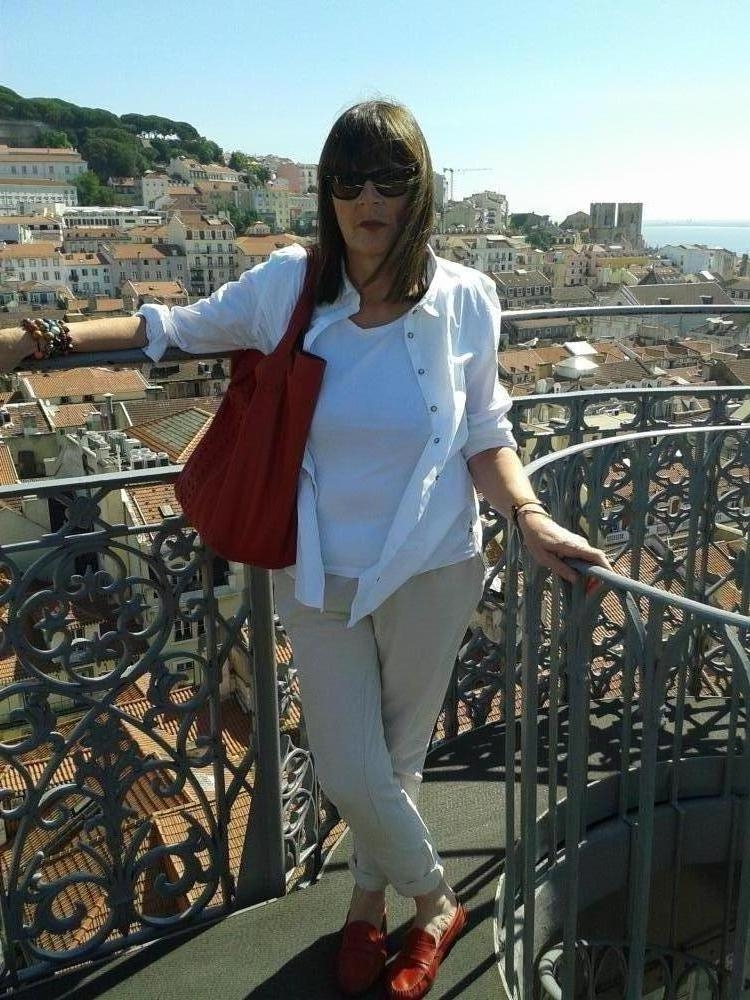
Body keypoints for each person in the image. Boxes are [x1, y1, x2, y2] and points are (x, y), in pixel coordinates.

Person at [0, 100, 610, 1000]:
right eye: (348, 181)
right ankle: (438, 902)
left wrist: (527, 516)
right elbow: (167, 329)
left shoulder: (466, 299)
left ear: (420, 190)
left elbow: (486, 432)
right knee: (346, 765)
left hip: (436, 565)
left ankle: (366, 904)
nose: (368, 199)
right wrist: (38, 340)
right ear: (326, 194)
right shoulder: (289, 285)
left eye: (390, 180)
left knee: (395, 758)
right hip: (320, 569)